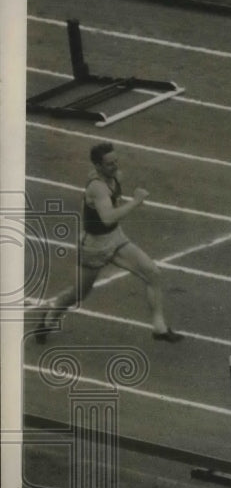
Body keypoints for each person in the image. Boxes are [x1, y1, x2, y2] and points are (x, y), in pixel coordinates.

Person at [37, 142, 183, 343]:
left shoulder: (113, 177)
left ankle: (159, 327)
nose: (114, 166)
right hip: (94, 246)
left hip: (115, 238)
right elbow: (107, 217)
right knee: (79, 293)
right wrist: (135, 201)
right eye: (109, 163)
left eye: (116, 161)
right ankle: (50, 317)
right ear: (98, 166)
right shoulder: (97, 186)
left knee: (152, 272)